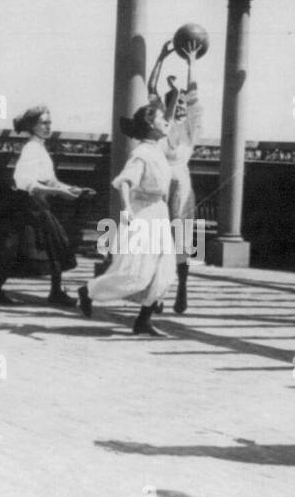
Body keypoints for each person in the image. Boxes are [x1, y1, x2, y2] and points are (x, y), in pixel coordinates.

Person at [77, 98, 178, 336]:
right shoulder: (141, 153)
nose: (166, 123)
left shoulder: (157, 150)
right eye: (161, 120)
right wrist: (126, 210)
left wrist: (174, 95)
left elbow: (170, 119)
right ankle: (88, 291)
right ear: (150, 126)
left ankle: (143, 320)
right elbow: (125, 183)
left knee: (164, 270)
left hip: (159, 212)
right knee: (137, 273)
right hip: (142, 214)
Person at [0, 106, 93, 306]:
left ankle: (55, 291)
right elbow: (25, 182)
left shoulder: (39, 147)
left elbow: (50, 180)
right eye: (44, 123)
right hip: (26, 206)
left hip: (38, 204)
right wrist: (59, 192)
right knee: (19, 250)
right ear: (32, 126)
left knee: (52, 245)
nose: (48, 126)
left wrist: (74, 189)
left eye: (50, 122)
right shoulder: (31, 148)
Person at [159, 42, 205, 314]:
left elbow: (195, 100)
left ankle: (182, 288)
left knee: (181, 239)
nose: (180, 109)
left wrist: (191, 65)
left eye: (182, 106)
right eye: (176, 105)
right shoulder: (161, 130)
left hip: (180, 185)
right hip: (159, 184)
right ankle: (157, 294)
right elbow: (154, 93)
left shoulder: (189, 131)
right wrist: (162, 59)